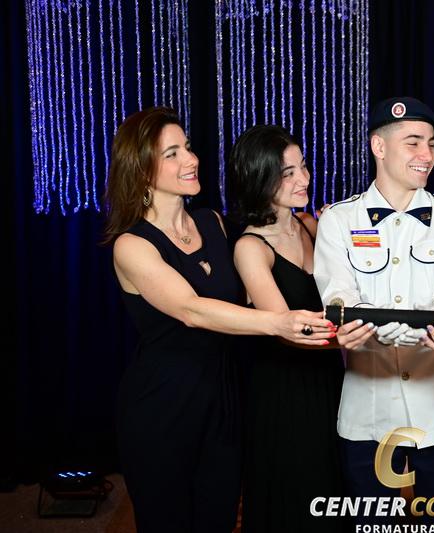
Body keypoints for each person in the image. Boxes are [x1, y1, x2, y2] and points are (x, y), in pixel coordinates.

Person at [104, 107, 334, 532]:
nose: (191, 159)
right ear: (141, 169)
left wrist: (309, 207)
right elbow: (191, 310)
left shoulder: (212, 222)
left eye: (188, 147)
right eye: (172, 153)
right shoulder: (132, 245)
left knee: (219, 520)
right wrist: (277, 323)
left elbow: (265, 235)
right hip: (163, 407)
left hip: (225, 401)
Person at [313, 97, 434, 532]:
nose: (427, 154)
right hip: (368, 415)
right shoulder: (339, 219)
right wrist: (383, 329)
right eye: (413, 142)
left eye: (431, 143)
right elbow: (338, 292)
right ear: (379, 146)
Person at [226, 124, 374, 532]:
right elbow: (286, 330)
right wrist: (355, 337)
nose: (304, 178)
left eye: (303, 166)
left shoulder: (311, 224)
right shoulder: (250, 247)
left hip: (331, 379)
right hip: (283, 390)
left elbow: (362, 271)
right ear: (259, 178)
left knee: (335, 489)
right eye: (287, 173)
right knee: (296, 496)